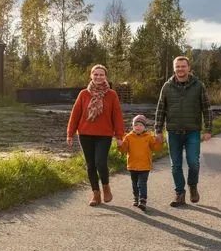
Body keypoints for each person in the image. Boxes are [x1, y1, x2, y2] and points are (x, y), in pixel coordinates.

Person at [153, 56, 212, 207]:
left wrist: (208, 129)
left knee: (193, 163)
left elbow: (206, 108)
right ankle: (180, 193)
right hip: (173, 132)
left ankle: (192, 186)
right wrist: (158, 130)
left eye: (183, 66)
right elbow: (160, 110)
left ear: (189, 68)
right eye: (177, 66)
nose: (180, 69)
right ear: (174, 68)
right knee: (176, 165)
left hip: (192, 131)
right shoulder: (167, 87)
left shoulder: (198, 86)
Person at [67, 64, 125, 206]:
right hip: (85, 134)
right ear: (91, 76)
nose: (98, 77)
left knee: (100, 162)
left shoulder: (111, 94)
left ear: (106, 77)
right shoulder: (83, 94)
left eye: (101, 75)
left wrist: (119, 136)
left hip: (104, 135)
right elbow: (75, 114)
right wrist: (70, 133)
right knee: (90, 165)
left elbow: (117, 115)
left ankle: (106, 187)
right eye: (96, 74)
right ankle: (95, 194)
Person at [117, 114, 162, 211]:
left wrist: (159, 141)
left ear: (145, 127)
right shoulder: (128, 137)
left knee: (142, 183)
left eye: (141, 125)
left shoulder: (149, 137)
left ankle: (143, 200)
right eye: (136, 125)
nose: (138, 127)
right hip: (132, 165)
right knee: (134, 184)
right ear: (132, 126)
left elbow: (155, 148)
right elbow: (123, 150)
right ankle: (136, 198)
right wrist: (120, 145)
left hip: (145, 165)